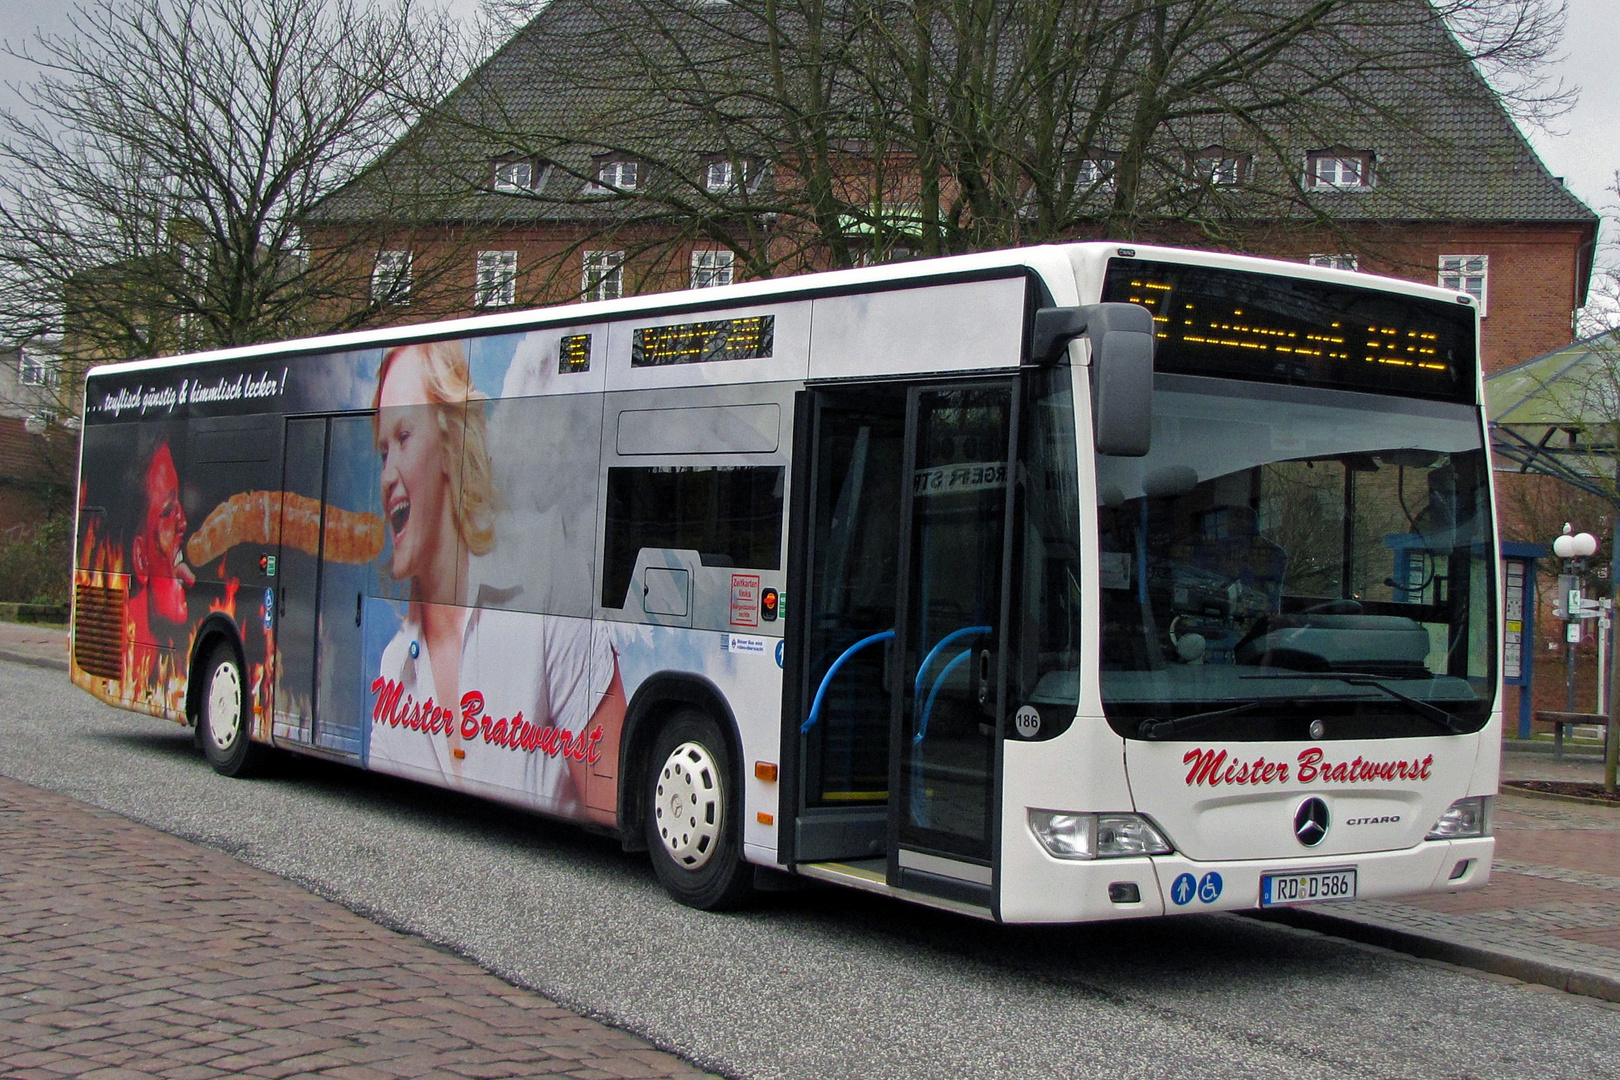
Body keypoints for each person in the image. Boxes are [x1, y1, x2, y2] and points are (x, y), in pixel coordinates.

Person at [368, 339, 626, 823]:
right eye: (382, 452)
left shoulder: (548, 586)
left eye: (403, 438)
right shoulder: (393, 673)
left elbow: (615, 802)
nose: (387, 475)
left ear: (449, 446)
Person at [124, 439, 195, 687]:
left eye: (179, 507)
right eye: (167, 511)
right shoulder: (131, 667)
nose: (182, 522)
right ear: (141, 559)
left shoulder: (170, 664)